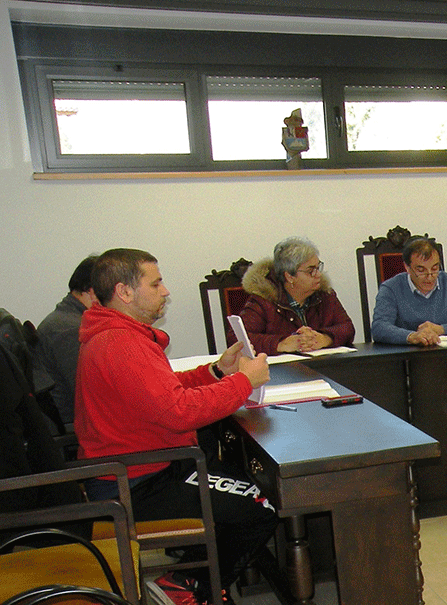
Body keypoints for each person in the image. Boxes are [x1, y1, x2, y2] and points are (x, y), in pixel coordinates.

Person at [74, 248, 277, 605]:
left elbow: (162, 389)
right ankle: (186, 585)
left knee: (243, 478)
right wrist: (244, 382)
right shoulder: (120, 343)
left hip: (142, 467)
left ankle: (200, 572)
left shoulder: (118, 334)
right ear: (124, 292)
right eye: (156, 283)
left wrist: (217, 372)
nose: (165, 291)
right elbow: (179, 412)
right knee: (262, 503)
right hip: (132, 484)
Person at [236, 237, 355, 354]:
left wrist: (324, 338)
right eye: (311, 271)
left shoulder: (325, 295)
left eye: (318, 267)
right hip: (280, 371)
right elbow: (237, 339)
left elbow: (347, 328)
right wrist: (281, 344)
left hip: (321, 366)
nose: (318, 274)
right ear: (290, 277)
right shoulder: (264, 299)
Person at [372, 237, 447, 346]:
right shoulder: (391, 288)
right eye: (421, 270)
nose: (429, 277)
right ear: (407, 267)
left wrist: (442, 329)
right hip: (407, 360)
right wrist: (411, 336)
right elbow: (379, 328)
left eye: (434, 269)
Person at [31, 254, 98, 428]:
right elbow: (87, 395)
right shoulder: (71, 330)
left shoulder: (66, 320)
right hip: (75, 427)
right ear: (92, 291)